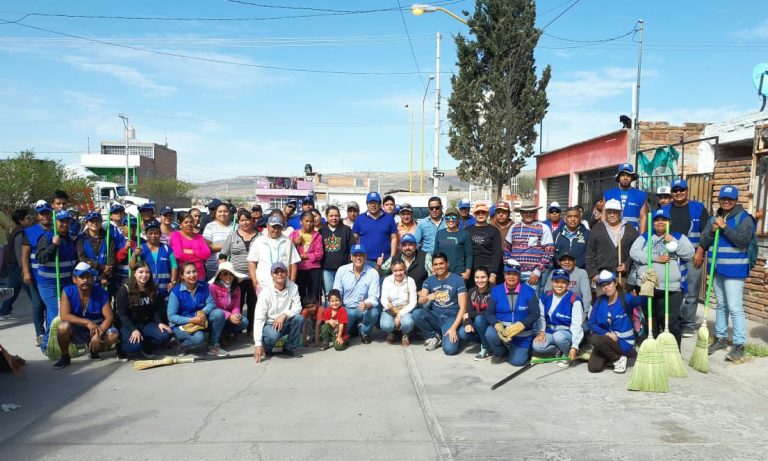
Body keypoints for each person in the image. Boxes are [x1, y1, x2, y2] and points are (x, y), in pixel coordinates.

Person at [700, 185, 754, 362]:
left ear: (736, 200)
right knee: (721, 305)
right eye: (723, 199)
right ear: (719, 200)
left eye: (730, 199)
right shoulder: (715, 218)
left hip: (735, 270)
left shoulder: (744, 218)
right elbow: (704, 241)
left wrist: (724, 227)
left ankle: (739, 344)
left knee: (735, 307)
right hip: (717, 269)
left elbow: (742, 241)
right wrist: (712, 230)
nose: (726, 202)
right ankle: (721, 338)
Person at [630, 208, 694, 348]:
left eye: (663, 220)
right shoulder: (645, 237)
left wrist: (673, 241)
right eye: (657, 220)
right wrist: (655, 258)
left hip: (672, 288)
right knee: (650, 320)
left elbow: (689, 254)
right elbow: (633, 252)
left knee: (670, 320)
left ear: (669, 222)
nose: (660, 223)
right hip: (648, 285)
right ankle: (653, 350)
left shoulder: (679, 237)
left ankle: (673, 353)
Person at [663, 178, 709, 338]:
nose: (678, 193)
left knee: (691, 290)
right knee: (672, 289)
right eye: (675, 191)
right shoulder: (666, 209)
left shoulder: (698, 208)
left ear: (687, 191)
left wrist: (700, 252)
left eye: (681, 190)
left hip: (693, 255)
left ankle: (688, 324)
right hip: (671, 255)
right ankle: (672, 320)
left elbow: (706, 232)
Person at [51, 262, 119, 369]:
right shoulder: (68, 291)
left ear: (92, 278)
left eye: (88, 277)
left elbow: (109, 317)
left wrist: (99, 333)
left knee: (113, 335)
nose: (85, 280)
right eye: (81, 277)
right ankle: (65, 357)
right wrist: (87, 322)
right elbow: (64, 316)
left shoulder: (101, 292)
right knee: (62, 327)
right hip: (77, 327)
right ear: (74, 279)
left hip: (96, 327)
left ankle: (94, 350)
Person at [36, 210, 79, 353]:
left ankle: (61, 342)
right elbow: (40, 258)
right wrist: (53, 245)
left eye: (67, 221)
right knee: (58, 314)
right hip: (50, 284)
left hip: (66, 282)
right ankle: (47, 345)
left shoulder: (70, 238)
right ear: (56, 222)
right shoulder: (47, 237)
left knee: (55, 314)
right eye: (62, 221)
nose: (65, 224)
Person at [484, 259, 540, 366]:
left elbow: (535, 313)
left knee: (517, 362)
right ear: (504, 275)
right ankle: (501, 354)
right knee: (490, 333)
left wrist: (521, 325)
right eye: (508, 273)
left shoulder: (529, 291)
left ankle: (522, 349)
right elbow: (489, 313)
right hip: (504, 331)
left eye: (514, 274)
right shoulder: (496, 291)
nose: (511, 277)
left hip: (522, 332)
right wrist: (497, 325)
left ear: (519, 275)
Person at [167, 262, 227, 357]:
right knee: (199, 338)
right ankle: (183, 344)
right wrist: (191, 320)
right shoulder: (175, 292)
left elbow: (211, 303)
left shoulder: (204, 286)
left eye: (194, 271)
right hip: (183, 324)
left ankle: (213, 346)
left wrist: (203, 312)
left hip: (200, 320)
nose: (192, 275)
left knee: (218, 313)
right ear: (182, 276)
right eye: (188, 272)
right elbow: (171, 317)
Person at [115, 260, 173, 359]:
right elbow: (122, 314)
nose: (144, 275)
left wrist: (159, 322)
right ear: (135, 274)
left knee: (165, 335)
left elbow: (155, 309)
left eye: (147, 272)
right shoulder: (124, 290)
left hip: (146, 323)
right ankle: (121, 348)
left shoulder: (151, 288)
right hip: (129, 324)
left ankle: (146, 346)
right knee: (134, 346)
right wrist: (133, 329)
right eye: (141, 272)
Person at [413, 252, 468, 355]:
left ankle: (454, 333)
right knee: (416, 314)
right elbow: (420, 301)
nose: (439, 267)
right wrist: (427, 297)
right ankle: (435, 336)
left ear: (447, 264)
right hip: (436, 316)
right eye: (436, 264)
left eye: (441, 263)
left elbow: (463, 307)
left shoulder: (458, 280)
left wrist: (453, 328)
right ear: (433, 266)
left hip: (451, 318)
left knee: (449, 350)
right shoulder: (429, 280)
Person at [587, 270, 640, 373]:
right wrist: (607, 333)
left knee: (595, 339)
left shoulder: (626, 298)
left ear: (615, 283)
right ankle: (616, 357)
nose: (606, 287)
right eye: (603, 285)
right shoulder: (600, 300)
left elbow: (643, 301)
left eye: (609, 283)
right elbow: (591, 323)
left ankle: (618, 359)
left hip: (624, 342)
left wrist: (648, 290)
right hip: (607, 340)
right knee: (594, 368)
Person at [252, 262, 304, 362]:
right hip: (269, 324)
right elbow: (259, 318)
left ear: (287, 273)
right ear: (272, 275)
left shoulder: (293, 287)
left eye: (282, 271)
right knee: (273, 335)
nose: (280, 274)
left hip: (285, 320)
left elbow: (298, 307)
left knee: (299, 318)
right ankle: (266, 347)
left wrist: (285, 314)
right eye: (276, 272)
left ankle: (289, 347)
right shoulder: (265, 292)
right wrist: (257, 345)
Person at [533, 268, 584, 366]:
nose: (559, 285)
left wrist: (575, 346)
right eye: (556, 281)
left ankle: (566, 353)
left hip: (566, 333)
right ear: (552, 282)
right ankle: (557, 350)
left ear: (568, 284)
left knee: (559, 337)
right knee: (537, 345)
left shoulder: (574, 299)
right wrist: (541, 331)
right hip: (550, 331)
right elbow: (541, 317)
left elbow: (577, 324)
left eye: (563, 282)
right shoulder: (546, 296)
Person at [218, 210, 258, 332]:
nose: (244, 222)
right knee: (237, 304)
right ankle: (236, 330)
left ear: (252, 220)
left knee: (253, 304)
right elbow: (223, 255)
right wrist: (224, 272)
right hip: (236, 277)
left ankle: (251, 329)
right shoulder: (232, 235)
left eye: (247, 219)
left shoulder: (260, 237)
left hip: (254, 277)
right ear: (238, 221)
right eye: (241, 220)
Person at [20, 201, 53, 345]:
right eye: (42, 214)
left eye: (47, 213)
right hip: (36, 275)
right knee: (38, 304)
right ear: (38, 216)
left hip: (53, 274)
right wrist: (26, 272)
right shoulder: (30, 232)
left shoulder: (57, 229)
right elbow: (24, 254)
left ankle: (51, 331)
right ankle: (40, 333)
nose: (45, 216)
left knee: (51, 305)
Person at [333, 244, 380, 343]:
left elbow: (374, 297)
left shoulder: (373, 273)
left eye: (361, 255)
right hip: (347, 308)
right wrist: (337, 310)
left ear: (365, 257)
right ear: (351, 257)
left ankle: (364, 332)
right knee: (344, 334)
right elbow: (337, 292)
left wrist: (367, 304)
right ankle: (355, 326)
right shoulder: (342, 270)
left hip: (363, 309)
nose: (358, 258)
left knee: (374, 312)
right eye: (355, 255)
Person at [585, 199, 638, 287]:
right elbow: (590, 253)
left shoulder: (630, 230)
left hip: (623, 279)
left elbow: (635, 253)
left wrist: (627, 265)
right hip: (603, 279)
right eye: (609, 212)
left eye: (615, 212)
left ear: (620, 213)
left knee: (621, 300)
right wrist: (593, 274)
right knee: (604, 301)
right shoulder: (597, 229)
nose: (612, 215)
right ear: (605, 213)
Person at [505, 201, 554, 295]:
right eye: (525, 212)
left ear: (535, 212)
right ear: (521, 213)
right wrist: (508, 268)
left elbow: (549, 251)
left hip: (532, 274)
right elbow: (507, 249)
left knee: (532, 301)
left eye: (531, 212)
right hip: (515, 273)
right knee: (515, 300)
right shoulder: (514, 227)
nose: (528, 214)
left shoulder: (543, 227)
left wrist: (538, 271)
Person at [130, 220, 177, 318]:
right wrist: (134, 255)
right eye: (150, 233)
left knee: (165, 312)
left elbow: (174, 265)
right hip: (148, 288)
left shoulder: (167, 248)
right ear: (146, 235)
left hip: (165, 288)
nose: (153, 236)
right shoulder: (140, 249)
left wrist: (173, 281)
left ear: (160, 234)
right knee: (151, 312)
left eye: (156, 233)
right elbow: (132, 267)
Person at [247, 215, 301, 294]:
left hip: (283, 283)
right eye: (273, 227)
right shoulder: (259, 241)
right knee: (264, 306)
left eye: (278, 227)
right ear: (267, 226)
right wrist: (254, 280)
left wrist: (292, 282)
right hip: (263, 283)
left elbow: (293, 263)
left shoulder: (287, 242)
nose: (276, 230)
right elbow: (252, 262)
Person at [0, 208, 34, 321]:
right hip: (17, 265)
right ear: (21, 220)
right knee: (30, 288)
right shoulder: (20, 232)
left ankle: (4, 310)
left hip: (13, 264)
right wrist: (24, 269)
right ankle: (39, 308)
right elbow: (20, 252)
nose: (30, 219)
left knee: (14, 288)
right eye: (28, 218)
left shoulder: (19, 230)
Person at [208, 262, 250, 344]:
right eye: (225, 274)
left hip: (228, 317)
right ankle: (214, 340)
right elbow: (213, 306)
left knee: (244, 321)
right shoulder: (212, 287)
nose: (229, 276)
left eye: (231, 274)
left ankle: (224, 333)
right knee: (219, 314)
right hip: (215, 317)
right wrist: (230, 316)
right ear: (220, 276)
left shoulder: (236, 288)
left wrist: (236, 315)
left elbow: (236, 306)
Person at [352, 192, 397, 267]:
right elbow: (354, 238)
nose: (373, 205)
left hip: (385, 260)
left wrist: (392, 257)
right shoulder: (360, 218)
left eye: (375, 202)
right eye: (370, 203)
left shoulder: (389, 218)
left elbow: (394, 238)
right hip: (365, 260)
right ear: (367, 204)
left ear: (380, 204)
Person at [379, 259, 418, 346]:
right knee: (385, 325)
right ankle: (391, 333)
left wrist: (400, 314)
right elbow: (383, 298)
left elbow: (413, 302)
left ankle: (405, 334)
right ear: (392, 270)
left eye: (401, 270)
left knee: (408, 323)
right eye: (395, 271)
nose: (398, 273)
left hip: (405, 309)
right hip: (390, 309)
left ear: (404, 269)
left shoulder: (410, 281)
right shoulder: (387, 280)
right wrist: (387, 305)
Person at [319, 205, 355, 297]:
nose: (334, 218)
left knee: (343, 294)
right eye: (331, 216)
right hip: (327, 269)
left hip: (343, 269)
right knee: (329, 294)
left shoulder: (346, 230)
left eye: (336, 215)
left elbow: (352, 248)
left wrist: (350, 265)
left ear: (339, 216)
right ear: (326, 216)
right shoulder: (321, 231)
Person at [603, 163, 649, 234]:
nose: (625, 178)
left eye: (628, 175)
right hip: (612, 233)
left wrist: (641, 236)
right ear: (618, 177)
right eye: (622, 175)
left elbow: (643, 217)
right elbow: (604, 216)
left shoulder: (640, 195)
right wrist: (603, 233)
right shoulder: (608, 194)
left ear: (632, 177)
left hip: (633, 234)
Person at [460, 266, 494, 361]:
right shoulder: (471, 291)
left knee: (479, 319)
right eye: (477, 277)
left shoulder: (494, 291)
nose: (480, 280)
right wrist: (467, 323)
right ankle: (487, 343)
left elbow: (491, 312)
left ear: (488, 278)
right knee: (463, 333)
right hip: (479, 324)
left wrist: (470, 315)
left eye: (483, 277)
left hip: (491, 324)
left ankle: (486, 348)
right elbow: (468, 310)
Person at [77, 211, 116, 289]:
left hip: (104, 280)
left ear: (101, 222)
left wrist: (104, 276)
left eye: (97, 221)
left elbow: (111, 258)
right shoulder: (81, 239)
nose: (94, 223)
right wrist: (100, 266)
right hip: (86, 278)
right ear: (87, 223)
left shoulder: (108, 238)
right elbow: (82, 258)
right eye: (91, 221)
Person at [466, 202, 502, 287]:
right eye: (478, 212)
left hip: (488, 267)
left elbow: (497, 253)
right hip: (472, 268)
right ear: (474, 214)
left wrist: (493, 273)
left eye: (483, 212)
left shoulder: (494, 231)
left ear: (488, 214)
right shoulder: (467, 230)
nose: (481, 214)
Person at [291, 211, 324, 300]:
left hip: (314, 268)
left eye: (311, 221)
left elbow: (319, 254)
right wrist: (294, 242)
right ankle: (301, 313)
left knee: (314, 295)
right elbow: (287, 251)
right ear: (301, 222)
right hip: (298, 268)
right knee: (299, 294)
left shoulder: (317, 235)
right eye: (307, 221)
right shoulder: (294, 234)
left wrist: (304, 256)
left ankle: (314, 313)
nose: (309, 223)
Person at [434, 207, 472, 282]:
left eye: (454, 217)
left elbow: (469, 255)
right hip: (442, 272)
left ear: (458, 219)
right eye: (448, 217)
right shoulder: (440, 233)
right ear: (445, 219)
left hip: (459, 273)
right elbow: (435, 253)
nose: (451, 220)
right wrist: (434, 269)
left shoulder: (465, 234)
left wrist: (467, 272)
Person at [169, 214, 211, 282]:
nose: (189, 224)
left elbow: (207, 254)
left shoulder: (199, 237)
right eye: (186, 222)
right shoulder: (175, 235)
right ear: (180, 224)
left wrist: (192, 252)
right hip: (184, 275)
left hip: (200, 274)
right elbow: (178, 255)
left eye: (191, 222)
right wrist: (199, 257)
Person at [203, 201, 233, 280]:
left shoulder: (236, 227)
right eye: (220, 211)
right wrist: (228, 245)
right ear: (215, 213)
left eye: (225, 211)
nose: (222, 214)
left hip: (231, 268)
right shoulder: (210, 226)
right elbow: (208, 247)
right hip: (213, 268)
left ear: (229, 213)